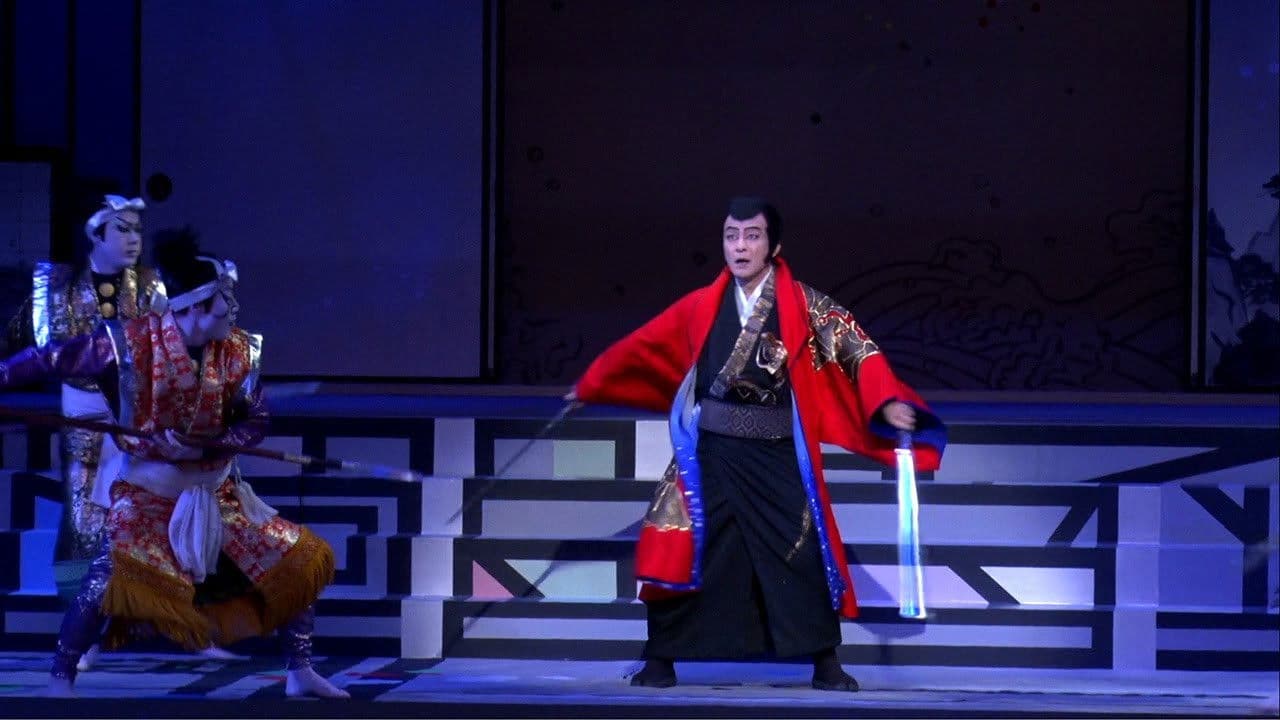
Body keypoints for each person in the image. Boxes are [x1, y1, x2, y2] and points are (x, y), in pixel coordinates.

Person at [569, 197, 946, 691]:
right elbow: (644, 347)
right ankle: (660, 659)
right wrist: (595, 383)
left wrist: (887, 401)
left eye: (751, 236)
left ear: (774, 246)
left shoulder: (806, 305)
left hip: (775, 453)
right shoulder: (701, 305)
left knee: (801, 552)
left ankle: (825, 663)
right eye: (732, 236)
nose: (740, 246)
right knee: (683, 545)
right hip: (712, 453)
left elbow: (859, 351)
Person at [0, 228, 348, 699]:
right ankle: (61, 677)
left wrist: (207, 447)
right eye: (224, 299)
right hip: (148, 492)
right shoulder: (128, 345)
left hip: (217, 493)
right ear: (196, 307)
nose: (233, 308)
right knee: (106, 580)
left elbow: (257, 419)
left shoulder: (238, 350)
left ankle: (300, 671)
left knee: (298, 560)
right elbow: (51, 359)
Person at [3, 195, 167, 670]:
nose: (134, 238)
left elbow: (165, 345)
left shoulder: (150, 284)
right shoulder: (57, 284)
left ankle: (171, 621)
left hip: (139, 409)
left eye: (137, 229)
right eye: (122, 229)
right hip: (84, 407)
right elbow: (49, 348)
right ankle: (82, 633)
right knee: (83, 516)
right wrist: (106, 349)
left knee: (160, 512)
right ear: (96, 234)